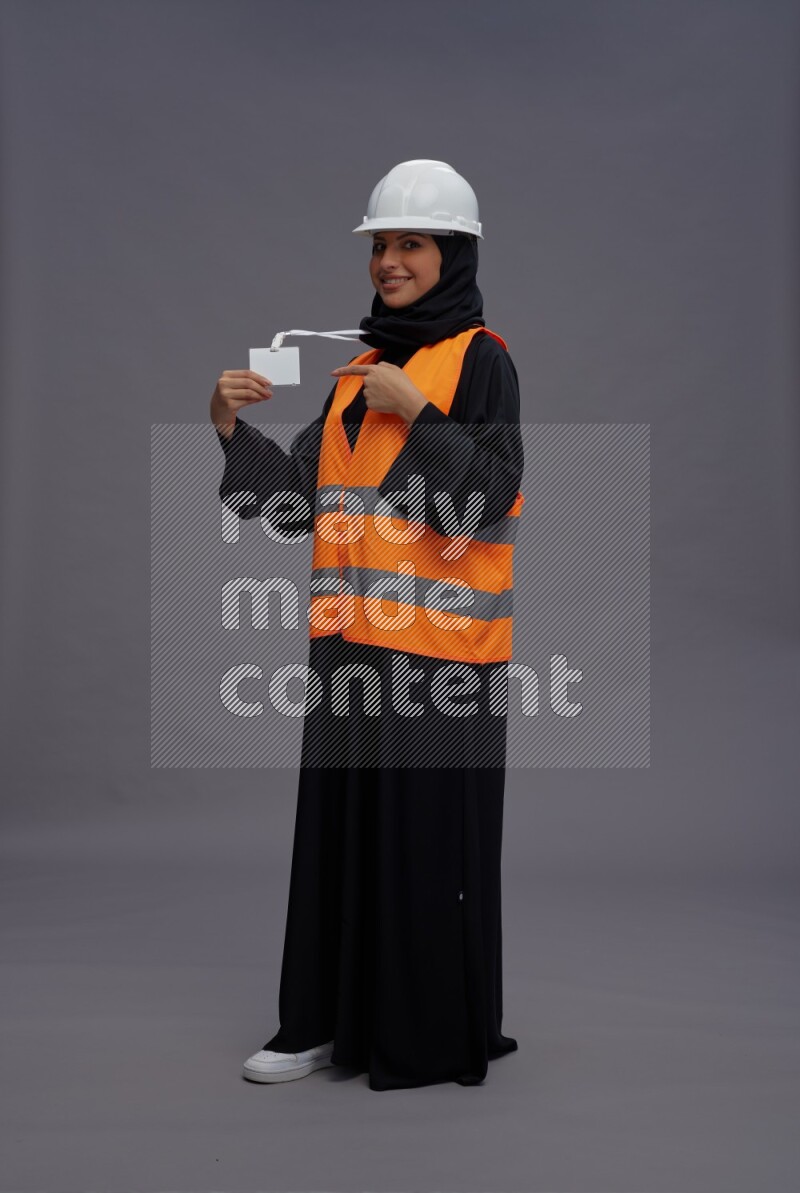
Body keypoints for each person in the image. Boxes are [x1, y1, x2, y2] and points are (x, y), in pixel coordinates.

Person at [210, 160, 525, 1091]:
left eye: (410, 244)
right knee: (338, 840)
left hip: (444, 661)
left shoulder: (482, 359)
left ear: (452, 254)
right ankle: (317, 1026)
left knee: (424, 850)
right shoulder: (357, 372)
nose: (390, 261)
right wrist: (227, 429)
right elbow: (299, 505)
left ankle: (418, 1037)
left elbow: (488, 494)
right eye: (382, 244)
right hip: (349, 649)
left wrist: (418, 410)